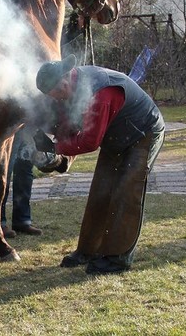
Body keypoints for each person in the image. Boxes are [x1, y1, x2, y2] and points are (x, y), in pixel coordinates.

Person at [33, 54, 165, 274]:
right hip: (116, 135)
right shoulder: (70, 89)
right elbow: (71, 124)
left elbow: (89, 141)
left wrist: (55, 149)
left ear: (64, 81)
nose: (55, 99)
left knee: (126, 193)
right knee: (100, 192)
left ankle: (117, 259)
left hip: (144, 133)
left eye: (55, 93)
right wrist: (54, 144)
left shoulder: (100, 93)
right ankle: (88, 250)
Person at [0, 128, 43, 238]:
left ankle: (22, 221)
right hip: (9, 123)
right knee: (5, 172)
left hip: (27, 124)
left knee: (25, 169)